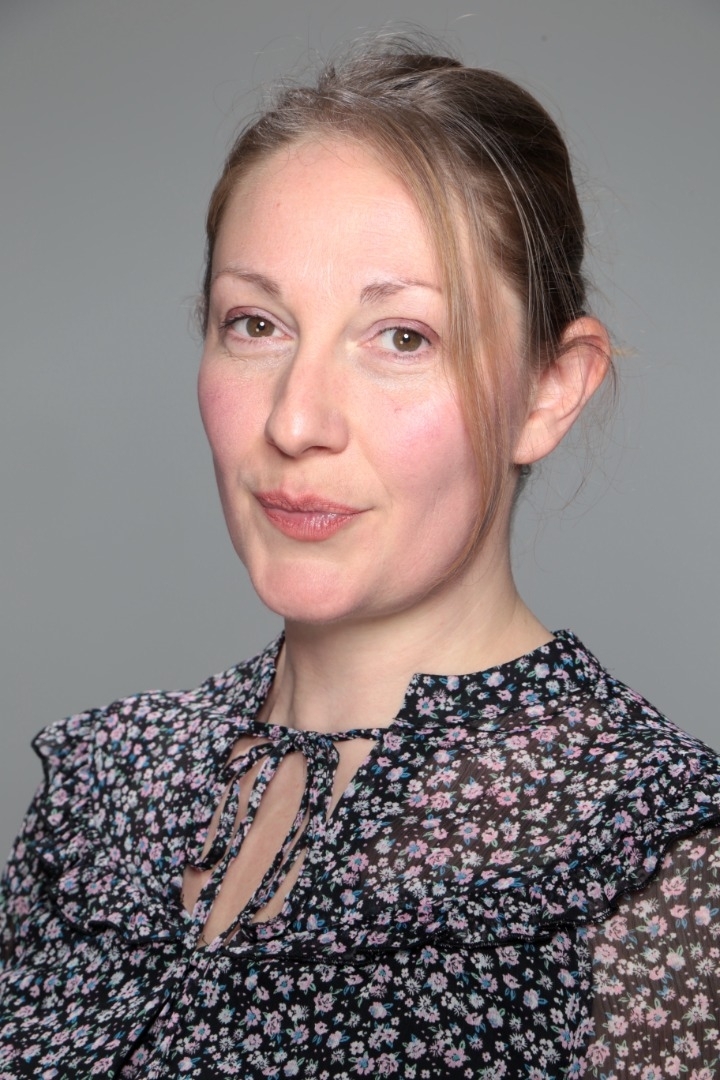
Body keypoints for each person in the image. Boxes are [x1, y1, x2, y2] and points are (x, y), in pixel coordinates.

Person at [1, 36, 719, 1079]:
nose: (296, 421)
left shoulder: (659, 856)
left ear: (549, 390)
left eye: (403, 338)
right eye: (255, 323)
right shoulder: (103, 790)